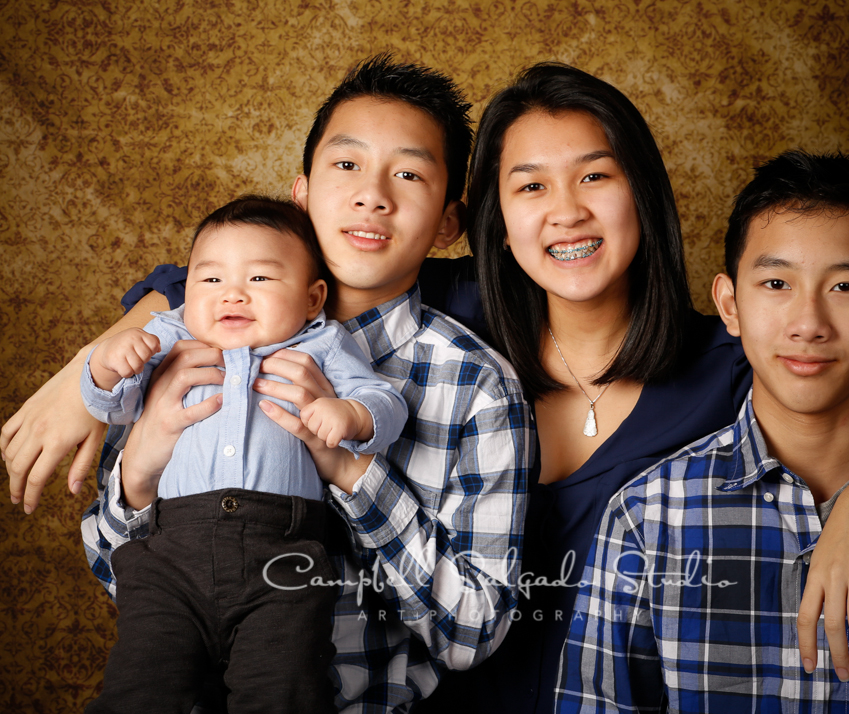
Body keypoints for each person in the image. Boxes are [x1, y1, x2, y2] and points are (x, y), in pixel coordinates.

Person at [417, 64, 849, 714]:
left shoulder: (730, 362)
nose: (567, 211)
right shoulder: (443, 330)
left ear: (643, 193)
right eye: (531, 185)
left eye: (595, 176)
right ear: (497, 217)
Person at [5, 55, 533, 712]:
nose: (373, 194)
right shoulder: (196, 332)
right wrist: (137, 476)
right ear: (302, 192)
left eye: (409, 173)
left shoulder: (478, 387)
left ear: (448, 223)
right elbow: (123, 581)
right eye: (346, 165)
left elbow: (471, 631)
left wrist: (352, 472)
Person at [555, 150, 849, 711]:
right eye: (775, 283)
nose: (808, 323)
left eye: (845, 287)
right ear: (729, 304)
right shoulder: (649, 515)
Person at [82, 194, 410, 713]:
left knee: (282, 689)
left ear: (311, 297)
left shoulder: (321, 344)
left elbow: (386, 401)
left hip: (285, 554)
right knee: (140, 686)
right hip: (170, 556)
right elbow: (115, 405)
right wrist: (105, 365)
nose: (232, 294)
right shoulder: (169, 336)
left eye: (259, 279)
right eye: (210, 279)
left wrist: (353, 414)